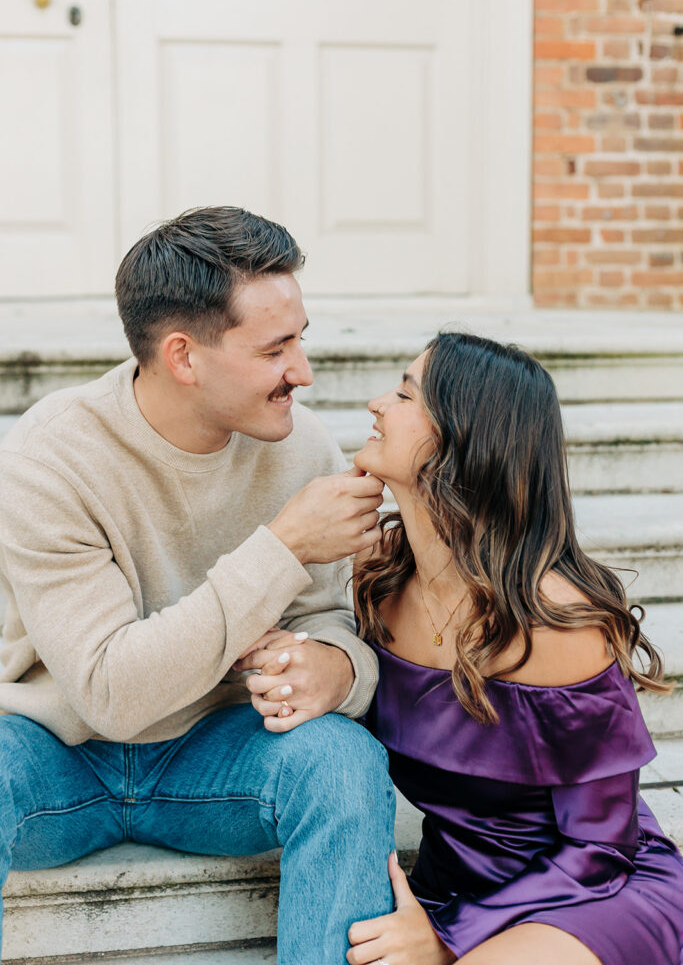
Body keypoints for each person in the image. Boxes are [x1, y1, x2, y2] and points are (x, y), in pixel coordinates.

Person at [0, 206, 396, 964]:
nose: (302, 372)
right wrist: (279, 548)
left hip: (218, 754)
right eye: (275, 348)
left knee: (343, 763)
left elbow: (331, 621)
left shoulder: (302, 446)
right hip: (54, 752)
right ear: (184, 356)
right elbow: (109, 693)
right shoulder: (48, 461)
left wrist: (336, 668)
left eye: (300, 339)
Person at [347, 331, 683, 965]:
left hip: (589, 895)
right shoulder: (383, 580)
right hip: (454, 887)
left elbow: (600, 848)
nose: (376, 404)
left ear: (461, 437)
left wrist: (451, 941)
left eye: (403, 392)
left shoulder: (556, 618)